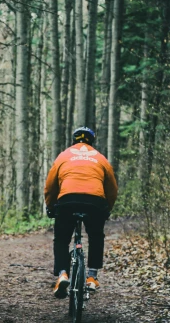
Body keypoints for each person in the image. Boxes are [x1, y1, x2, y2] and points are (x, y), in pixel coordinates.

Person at [44, 126, 118, 299]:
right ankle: (92, 276)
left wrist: (50, 206)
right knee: (96, 236)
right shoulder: (100, 158)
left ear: (73, 140)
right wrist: (107, 209)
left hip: (67, 200)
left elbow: (50, 185)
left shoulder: (64, 155)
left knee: (62, 239)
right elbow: (112, 188)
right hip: (95, 201)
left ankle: (63, 274)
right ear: (92, 141)